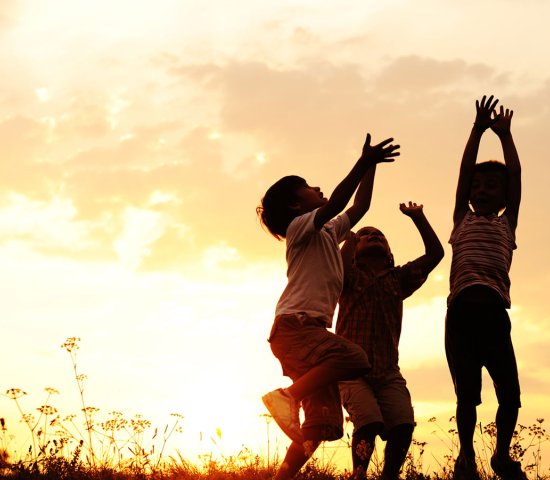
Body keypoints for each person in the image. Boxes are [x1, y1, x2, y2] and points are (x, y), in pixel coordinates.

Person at [257, 133, 400, 480]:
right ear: (294, 205)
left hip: (306, 333)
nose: (316, 187)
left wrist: (372, 168)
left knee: (322, 426)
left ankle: (281, 478)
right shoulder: (300, 227)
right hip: (297, 327)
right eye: (307, 186)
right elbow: (337, 201)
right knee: (354, 358)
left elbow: (358, 207)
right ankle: (286, 395)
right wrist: (363, 161)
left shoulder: (324, 233)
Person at [446, 95, 525, 480]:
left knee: (510, 394)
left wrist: (506, 136)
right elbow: (462, 174)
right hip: (460, 315)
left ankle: (501, 455)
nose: (481, 190)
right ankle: (465, 457)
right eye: (477, 185)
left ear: (503, 193)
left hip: (494, 315)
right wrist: (477, 130)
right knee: (467, 395)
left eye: (491, 185)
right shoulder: (461, 218)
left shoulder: (507, 224)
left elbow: (517, 177)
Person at [336, 201, 444, 480]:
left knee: (403, 424)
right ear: (354, 254)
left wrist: (418, 217)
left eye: (379, 236)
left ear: (390, 255)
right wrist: (349, 239)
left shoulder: (398, 279)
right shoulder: (349, 277)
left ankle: (389, 476)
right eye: (365, 235)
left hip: (387, 372)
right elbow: (338, 264)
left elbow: (435, 253)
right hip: (350, 371)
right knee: (369, 422)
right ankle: (359, 474)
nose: (372, 236)